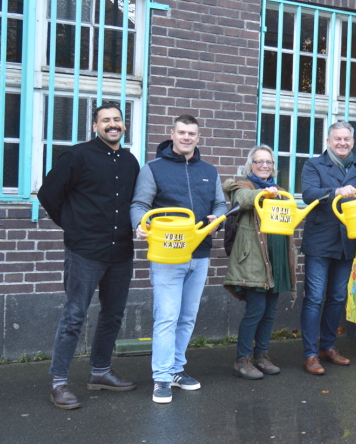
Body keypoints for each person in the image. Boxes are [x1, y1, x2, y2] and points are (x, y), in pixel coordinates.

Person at [39, 104, 140, 409]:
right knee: (74, 316)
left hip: (120, 251)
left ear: (123, 126)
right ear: (94, 126)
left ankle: (100, 372)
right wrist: (72, 226)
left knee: (112, 315)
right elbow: (48, 194)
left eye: (117, 120)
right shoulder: (77, 156)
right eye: (105, 120)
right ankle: (58, 382)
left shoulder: (130, 161)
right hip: (84, 251)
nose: (112, 124)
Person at [131, 114, 227, 403]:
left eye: (192, 134)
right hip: (167, 254)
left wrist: (218, 218)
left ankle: (175, 369)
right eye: (181, 132)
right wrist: (139, 224)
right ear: (171, 134)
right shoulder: (153, 169)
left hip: (199, 254)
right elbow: (139, 204)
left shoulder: (209, 170)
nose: (186, 137)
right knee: (167, 317)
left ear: (198, 138)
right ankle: (161, 377)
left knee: (187, 317)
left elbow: (221, 203)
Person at [299, 122, 356, 375]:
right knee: (315, 298)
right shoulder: (313, 165)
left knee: (338, 298)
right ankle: (310, 353)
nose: (342, 143)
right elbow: (308, 194)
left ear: (352, 141)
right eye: (337, 138)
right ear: (328, 142)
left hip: (346, 241)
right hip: (320, 240)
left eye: (347, 139)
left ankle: (328, 347)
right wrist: (336, 191)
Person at [222, 145, 296, 380]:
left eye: (269, 162)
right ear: (250, 165)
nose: (264, 166)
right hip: (253, 260)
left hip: (277, 258)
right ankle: (242, 359)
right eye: (259, 161)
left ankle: (261, 355)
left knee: (270, 312)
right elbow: (243, 200)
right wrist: (264, 194)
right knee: (256, 310)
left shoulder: (282, 191)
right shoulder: (243, 186)